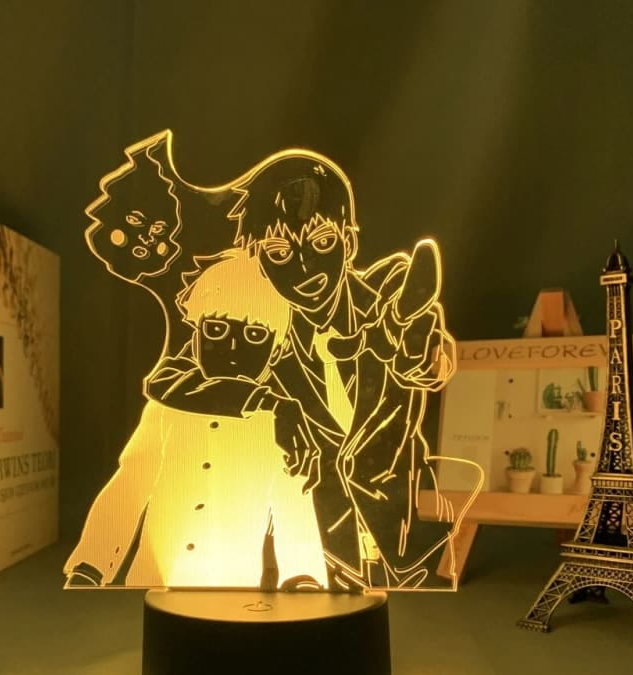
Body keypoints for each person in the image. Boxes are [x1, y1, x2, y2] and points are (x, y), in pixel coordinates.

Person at [146, 151, 466, 589]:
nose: (303, 267)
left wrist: (417, 351)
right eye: (279, 252)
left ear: (349, 242)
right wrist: (270, 403)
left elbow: (426, 359)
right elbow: (168, 378)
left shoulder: (389, 296)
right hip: (318, 552)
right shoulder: (256, 324)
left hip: (408, 533)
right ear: (258, 259)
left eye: (322, 243)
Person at [64, 248, 327, 590]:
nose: (232, 347)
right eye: (216, 329)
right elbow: (129, 486)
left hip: (233, 593)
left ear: (277, 349)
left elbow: (294, 506)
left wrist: (304, 576)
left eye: (254, 335)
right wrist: (91, 564)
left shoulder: (280, 426)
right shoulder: (166, 405)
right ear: (196, 335)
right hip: (151, 586)